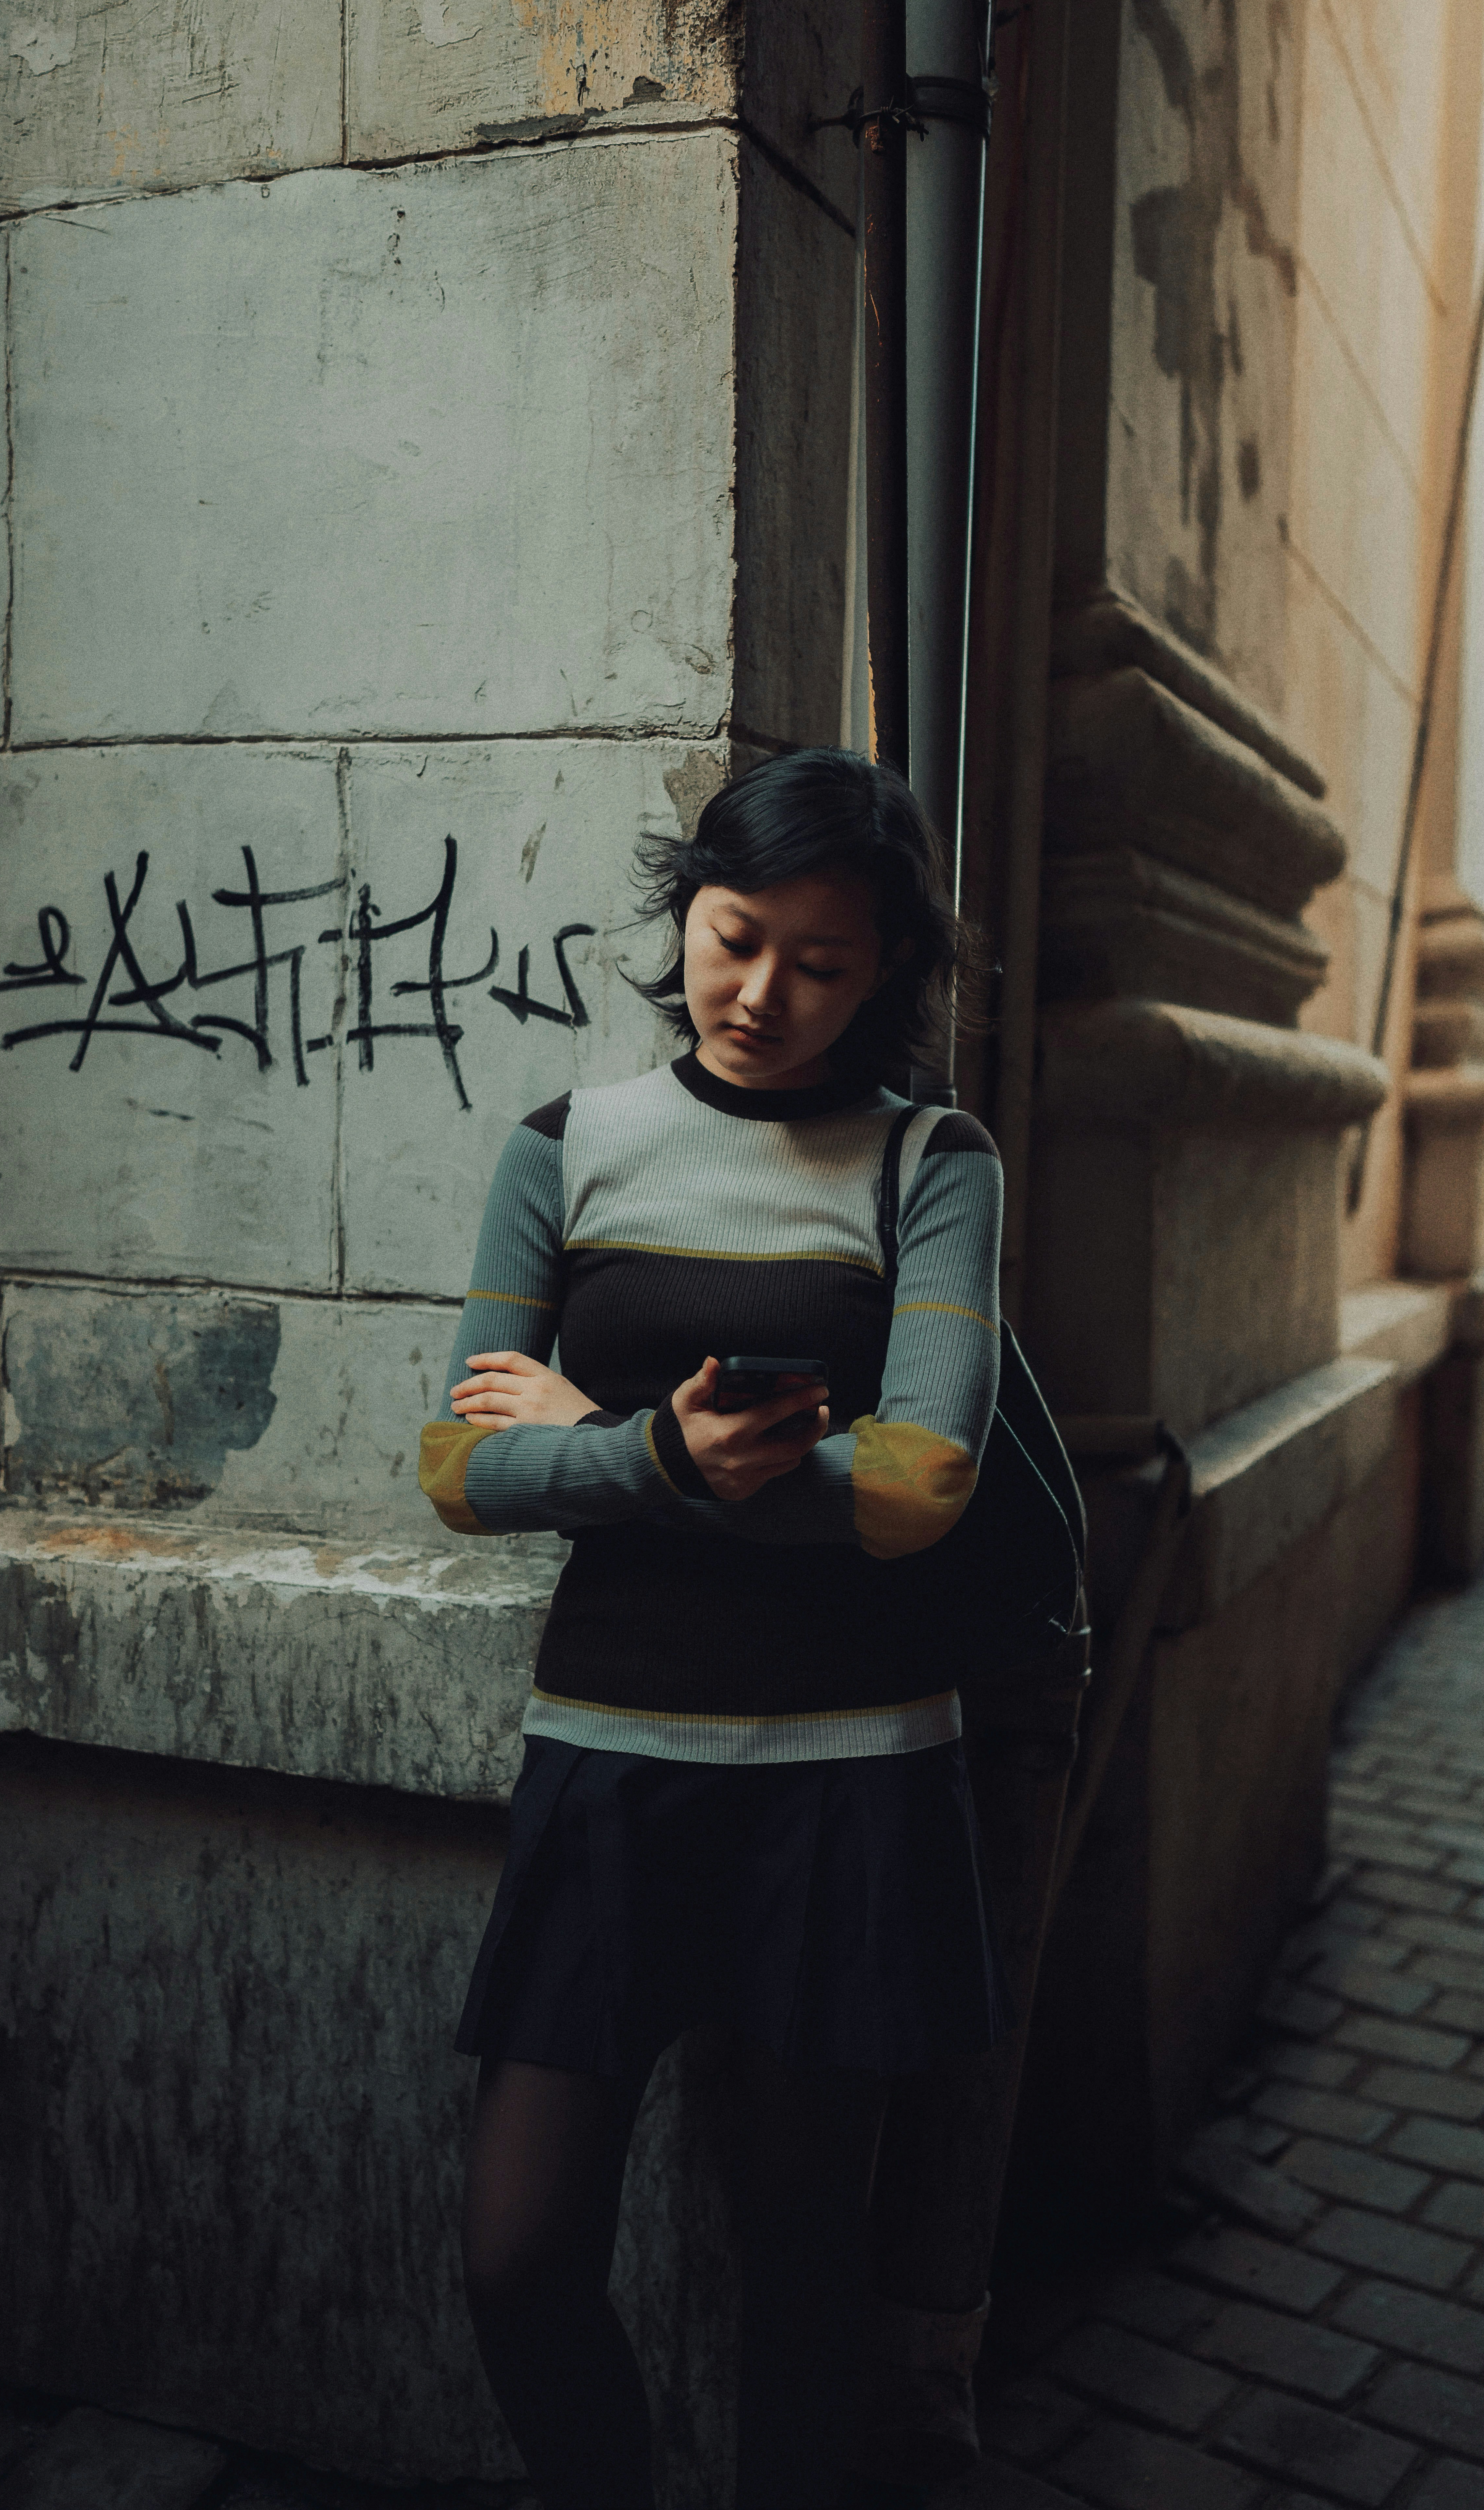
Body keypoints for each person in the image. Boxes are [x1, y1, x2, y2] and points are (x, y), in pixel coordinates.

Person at [418, 748, 1006, 2510]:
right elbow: (456, 1468)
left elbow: (919, 1487)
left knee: (797, 2284)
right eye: (734, 937)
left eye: (822, 966)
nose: (761, 995)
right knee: (515, 2258)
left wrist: (597, 1448)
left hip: (849, 1772)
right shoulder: (565, 1148)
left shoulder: (929, 1162)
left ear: (883, 977)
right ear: (685, 911)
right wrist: (669, 1453)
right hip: (608, 1759)